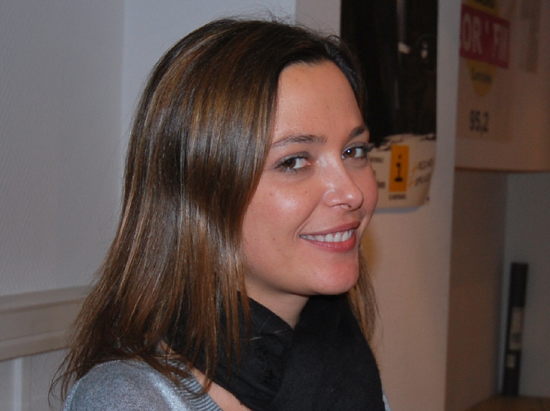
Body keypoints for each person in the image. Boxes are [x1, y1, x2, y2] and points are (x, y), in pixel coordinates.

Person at [56, 18, 390, 411]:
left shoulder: (344, 365)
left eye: (354, 151)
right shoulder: (130, 401)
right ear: (201, 191)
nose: (352, 192)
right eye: (294, 161)